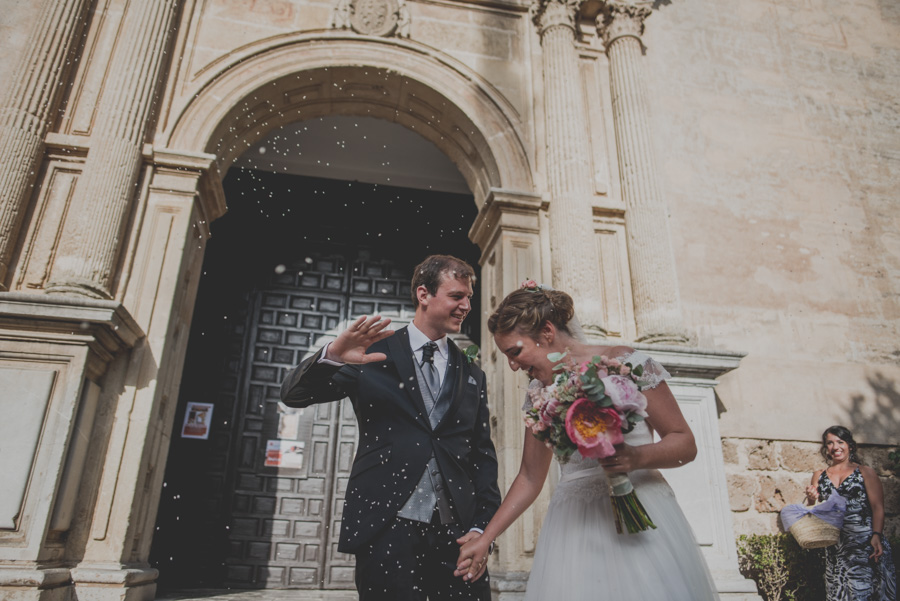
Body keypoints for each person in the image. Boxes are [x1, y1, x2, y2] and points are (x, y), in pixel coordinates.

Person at [454, 284, 719, 600]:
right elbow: (529, 477)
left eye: (515, 352)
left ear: (548, 332)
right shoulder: (538, 394)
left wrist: (635, 458)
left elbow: (684, 443)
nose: (513, 365)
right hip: (575, 527)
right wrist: (487, 537)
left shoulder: (627, 363)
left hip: (644, 510)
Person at [281, 254, 500, 601]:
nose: (467, 306)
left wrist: (481, 528)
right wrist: (333, 354)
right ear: (424, 294)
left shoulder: (472, 373)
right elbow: (294, 395)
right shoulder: (371, 353)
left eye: (469, 298)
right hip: (386, 525)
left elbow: (482, 457)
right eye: (457, 296)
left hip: (458, 531)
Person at [805, 425, 896, 600]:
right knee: (839, 593)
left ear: (850, 445)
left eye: (840, 441)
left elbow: (878, 507)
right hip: (836, 546)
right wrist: (811, 497)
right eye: (830, 443)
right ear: (826, 448)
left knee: (866, 592)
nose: (835, 446)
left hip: (865, 543)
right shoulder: (819, 475)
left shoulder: (865, 472)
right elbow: (814, 508)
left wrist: (876, 535)